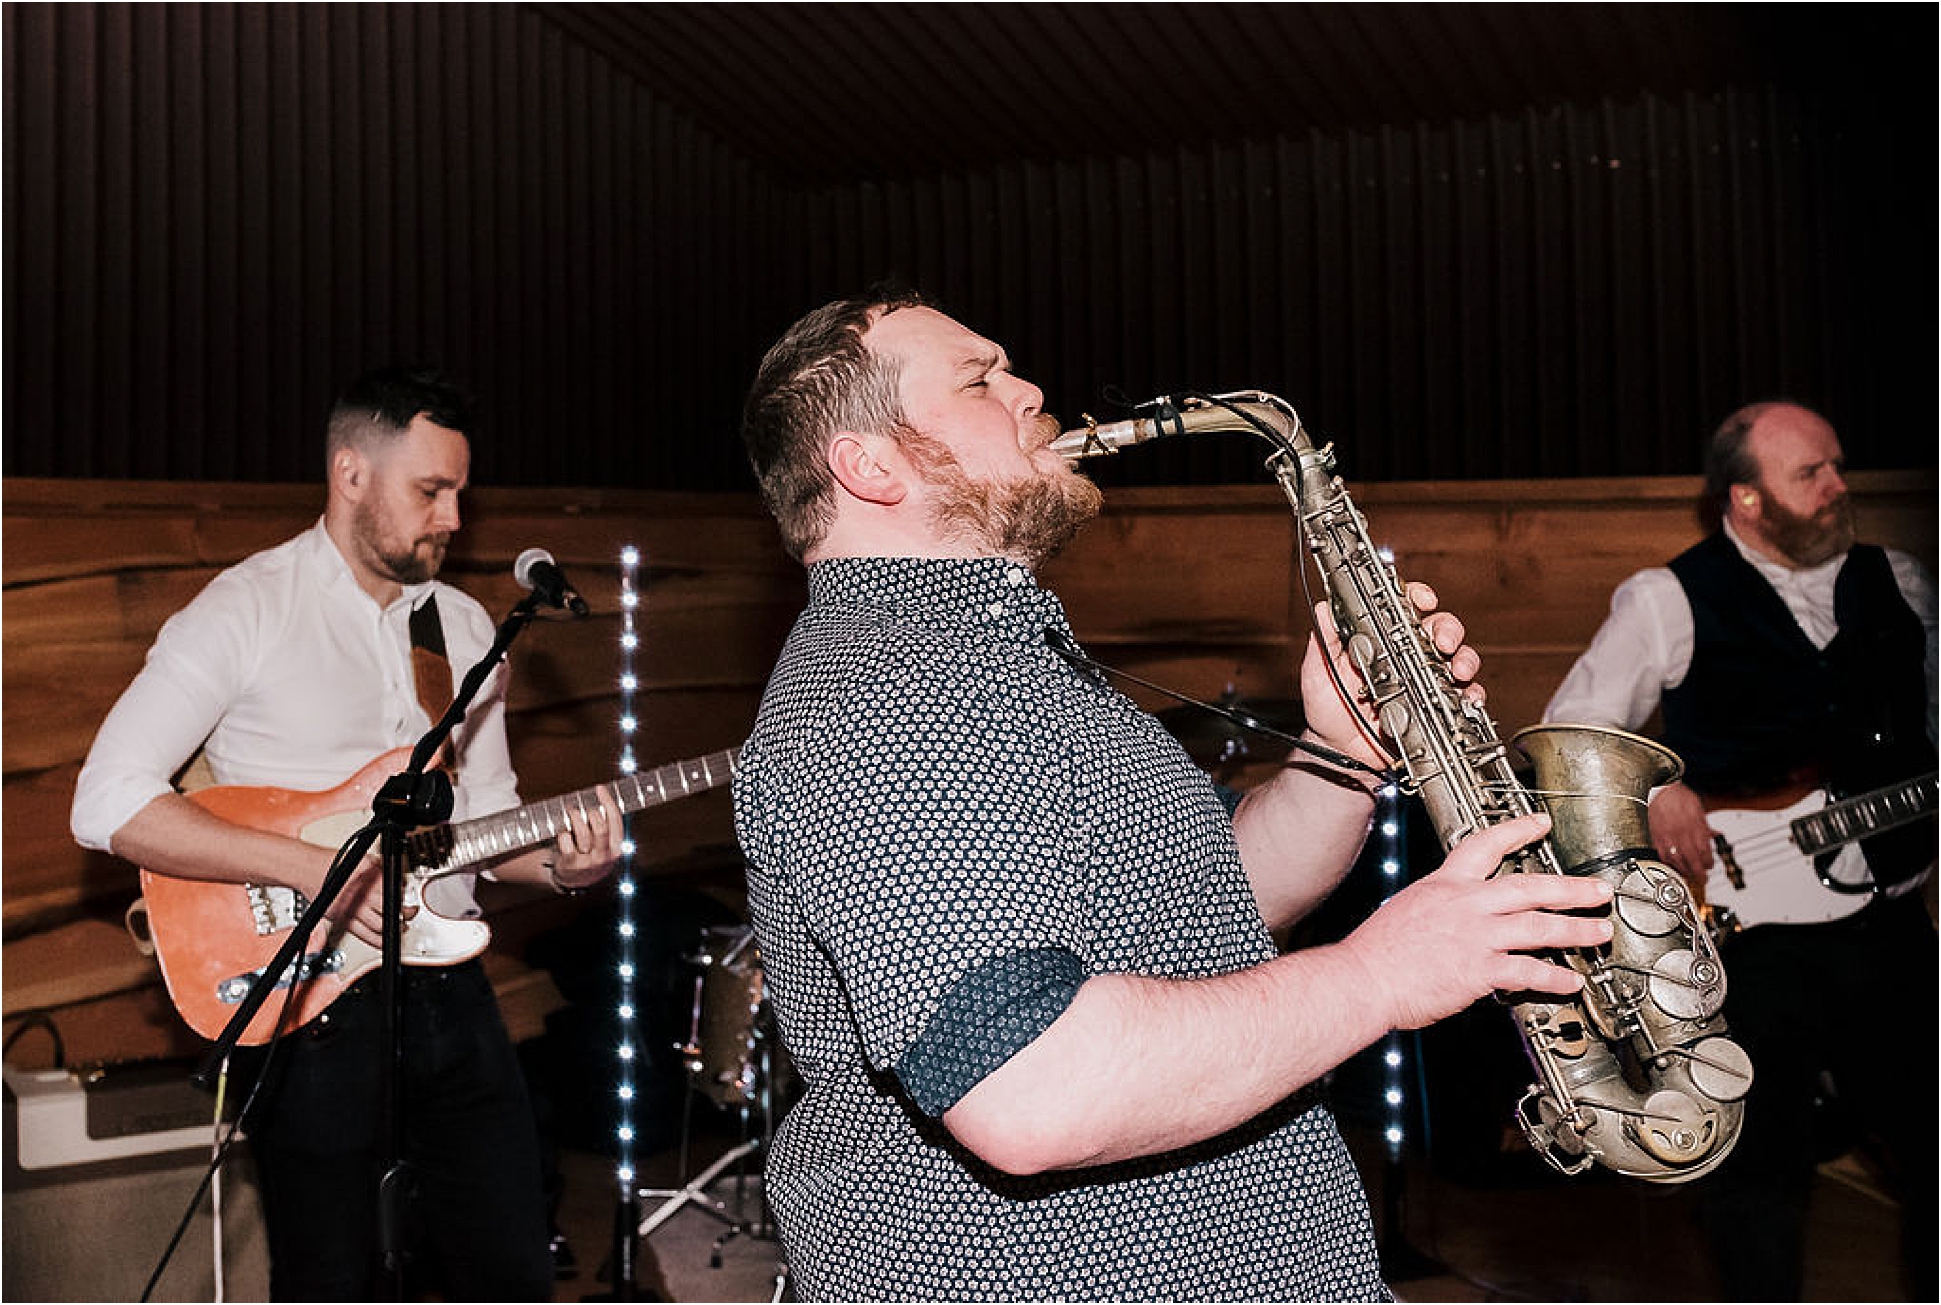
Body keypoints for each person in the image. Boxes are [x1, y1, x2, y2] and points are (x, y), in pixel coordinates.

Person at [731, 288, 1617, 1300]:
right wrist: (1383, 973)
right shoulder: (885, 695)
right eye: (980, 379)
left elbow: (1204, 909)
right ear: (869, 465)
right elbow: (1032, 1091)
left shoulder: (998, 655)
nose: (1029, 391)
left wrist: (1343, 754)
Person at [70, 366, 625, 1301]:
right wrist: (315, 865)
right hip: (306, 1003)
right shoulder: (246, 608)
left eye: (460, 493)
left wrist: (565, 867)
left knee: (510, 1266)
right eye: (430, 491)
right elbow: (107, 800)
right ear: (350, 474)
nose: (452, 518)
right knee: (328, 1278)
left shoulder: (461, 627)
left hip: (451, 990)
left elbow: (484, 823)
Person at [1544, 399, 1937, 1301]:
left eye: (1837, 464)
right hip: (1750, 942)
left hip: (1891, 929)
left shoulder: (1904, 582)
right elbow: (1572, 735)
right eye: (1812, 473)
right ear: (1747, 499)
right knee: (1757, 1186)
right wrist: (1655, 784)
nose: (1840, 486)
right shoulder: (1668, 597)